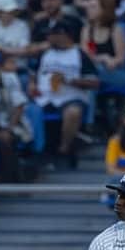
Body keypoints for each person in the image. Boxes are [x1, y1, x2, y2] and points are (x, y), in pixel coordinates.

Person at [34, 20, 100, 168]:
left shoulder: (79, 54)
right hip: (44, 97)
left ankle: (64, 149)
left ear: (63, 35)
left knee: (73, 112)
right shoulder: (46, 53)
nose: (48, 38)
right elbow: (34, 73)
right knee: (29, 110)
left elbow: (95, 82)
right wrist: (32, 85)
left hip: (71, 96)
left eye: (52, 35)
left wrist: (69, 81)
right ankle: (36, 151)